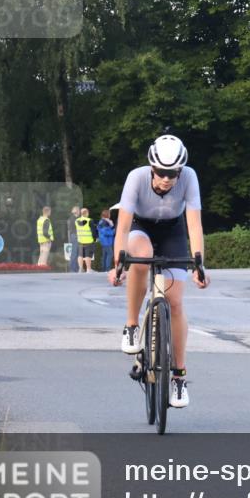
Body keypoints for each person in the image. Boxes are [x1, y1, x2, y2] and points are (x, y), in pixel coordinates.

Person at [107, 134, 210, 409]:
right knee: (141, 257)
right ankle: (131, 325)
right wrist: (119, 264)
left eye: (172, 173)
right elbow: (124, 227)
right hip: (141, 226)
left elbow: (194, 225)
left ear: (180, 169)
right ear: (152, 168)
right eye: (162, 172)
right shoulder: (136, 178)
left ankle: (178, 376)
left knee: (175, 302)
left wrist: (199, 264)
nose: (167, 178)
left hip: (172, 231)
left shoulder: (189, 177)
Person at [75, 208, 98, 273]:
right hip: (89, 241)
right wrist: (95, 239)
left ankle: (80, 269)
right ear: (87, 213)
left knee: (80, 255)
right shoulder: (90, 220)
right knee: (88, 255)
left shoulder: (76, 220)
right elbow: (93, 231)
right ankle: (88, 269)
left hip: (80, 240)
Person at [67, 206, 80, 272]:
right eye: (78, 210)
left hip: (73, 236)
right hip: (75, 236)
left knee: (76, 253)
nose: (79, 211)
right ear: (77, 211)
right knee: (75, 253)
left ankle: (75, 268)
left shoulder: (71, 218)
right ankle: (73, 269)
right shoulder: (74, 219)